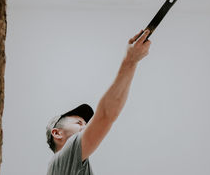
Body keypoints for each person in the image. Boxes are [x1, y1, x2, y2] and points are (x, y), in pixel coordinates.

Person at [45, 29, 152, 175]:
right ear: (57, 133)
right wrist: (130, 60)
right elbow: (105, 115)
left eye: (86, 124)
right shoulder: (62, 160)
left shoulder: (71, 167)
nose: (86, 128)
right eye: (79, 123)